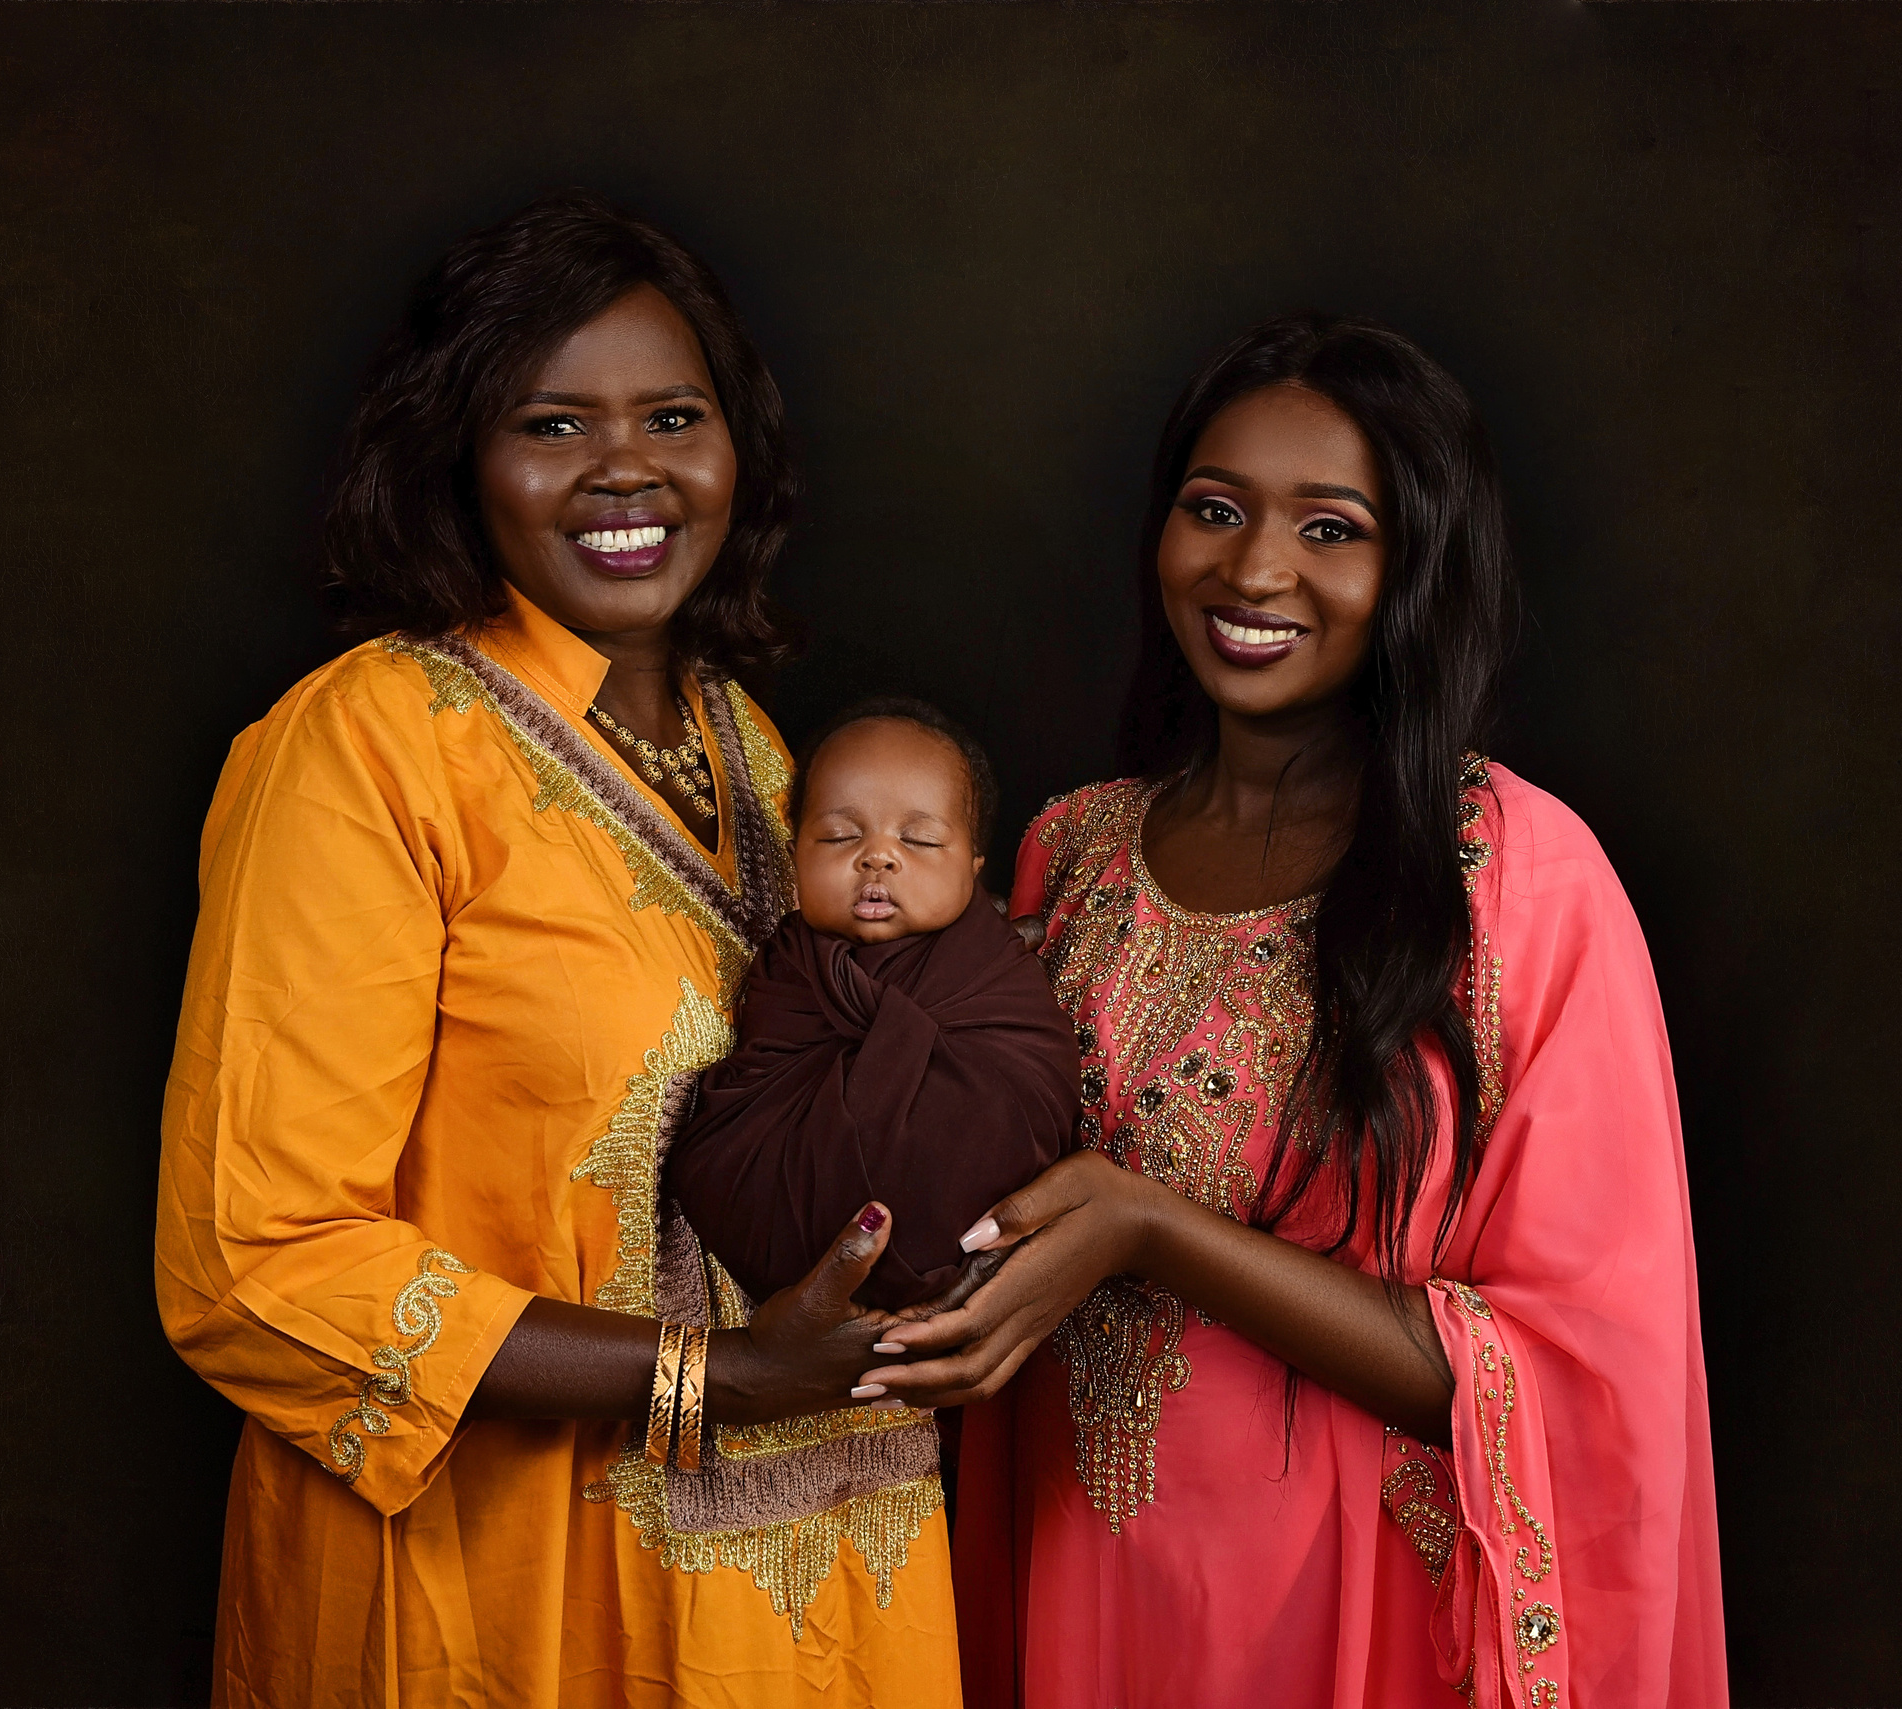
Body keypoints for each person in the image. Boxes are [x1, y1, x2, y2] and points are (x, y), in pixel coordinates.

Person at [154, 192, 958, 1709]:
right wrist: (711, 1378)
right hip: (508, 1595)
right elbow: (257, 1259)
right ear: (457, 458)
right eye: (552, 425)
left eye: (672, 416)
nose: (625, 469)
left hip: (805, 1592)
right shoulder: (367, 746)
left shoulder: (757, 753)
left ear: (735, 447)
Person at [863, 313, 1730, 1706]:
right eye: (1215, 509)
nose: (1255, 569)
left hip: (1352, 1611)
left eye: (1331, 529)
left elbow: (1577, 1371)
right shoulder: (1068, 852)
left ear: (1417, 565)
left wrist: (1150, 1226)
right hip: (1083, 1579)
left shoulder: (1514, 876)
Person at [664, 701, 1078, 1314]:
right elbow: (745, 1108)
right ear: (795, 856)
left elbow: (1032, 1091)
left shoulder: (995, 975)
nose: (878, 857)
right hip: (781, 1274)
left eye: (920, 840)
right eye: (839, 837)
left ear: (973, 868)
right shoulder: (786, 967)